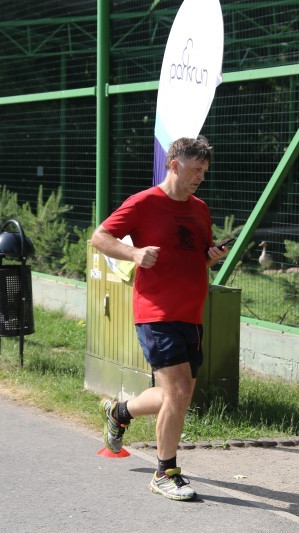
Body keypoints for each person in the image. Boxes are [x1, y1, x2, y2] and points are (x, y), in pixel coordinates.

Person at [90, 135, 229, 501]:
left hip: (191, 313)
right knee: (179, 391)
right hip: (156, 312)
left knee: (177, 394)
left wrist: (211, 257)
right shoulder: (144, 202)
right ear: (174, 165)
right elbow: (100, 237)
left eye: (204, 171)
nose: (200, 177)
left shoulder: (200, 209)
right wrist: (134, 253)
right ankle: (164, 473)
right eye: (195, 169)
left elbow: (196, 256)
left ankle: (120, 412)